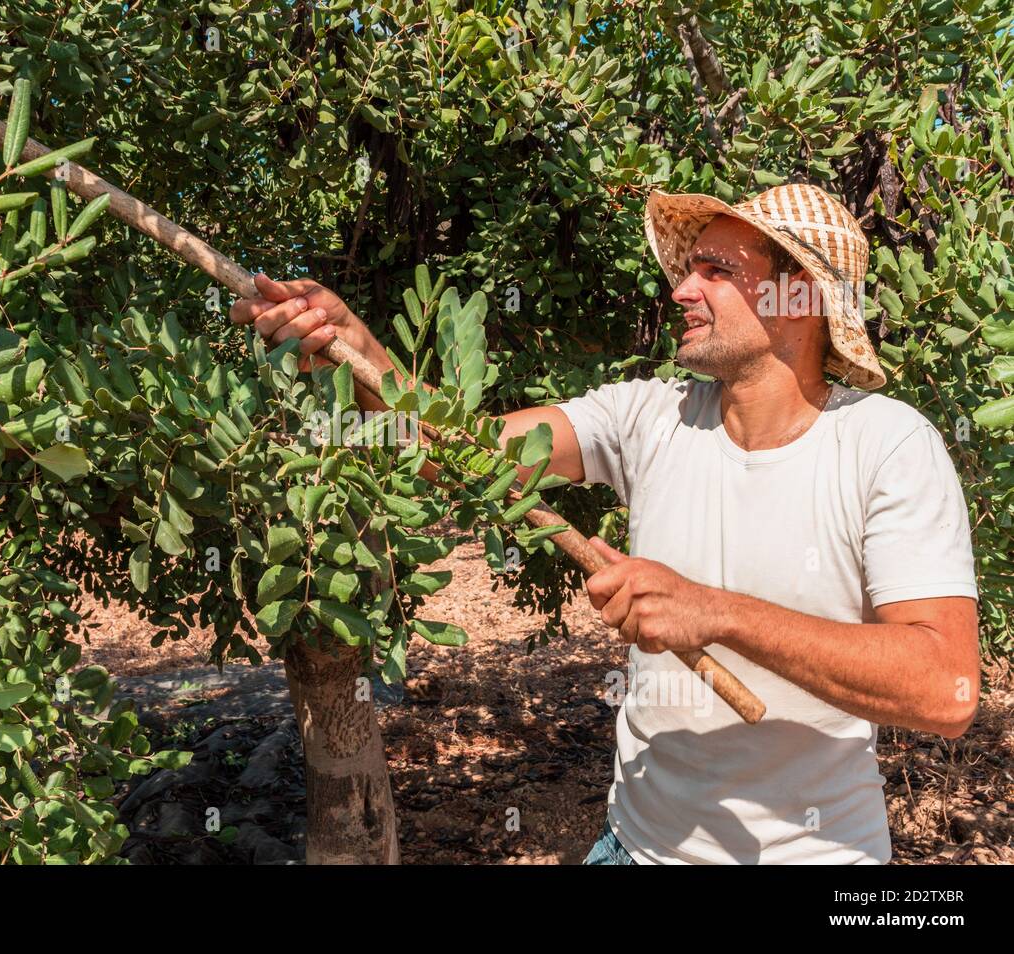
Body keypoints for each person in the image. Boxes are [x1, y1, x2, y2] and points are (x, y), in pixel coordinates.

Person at [229, 183, 980, 864]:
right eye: (690, 269)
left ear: (799, 296)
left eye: (717, 269)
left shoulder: (887, 445)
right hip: (634, 848)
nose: (683, 289)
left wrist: (715, 614)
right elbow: (449, 453)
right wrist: (359, 350)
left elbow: (944, 689)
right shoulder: (647, 416)